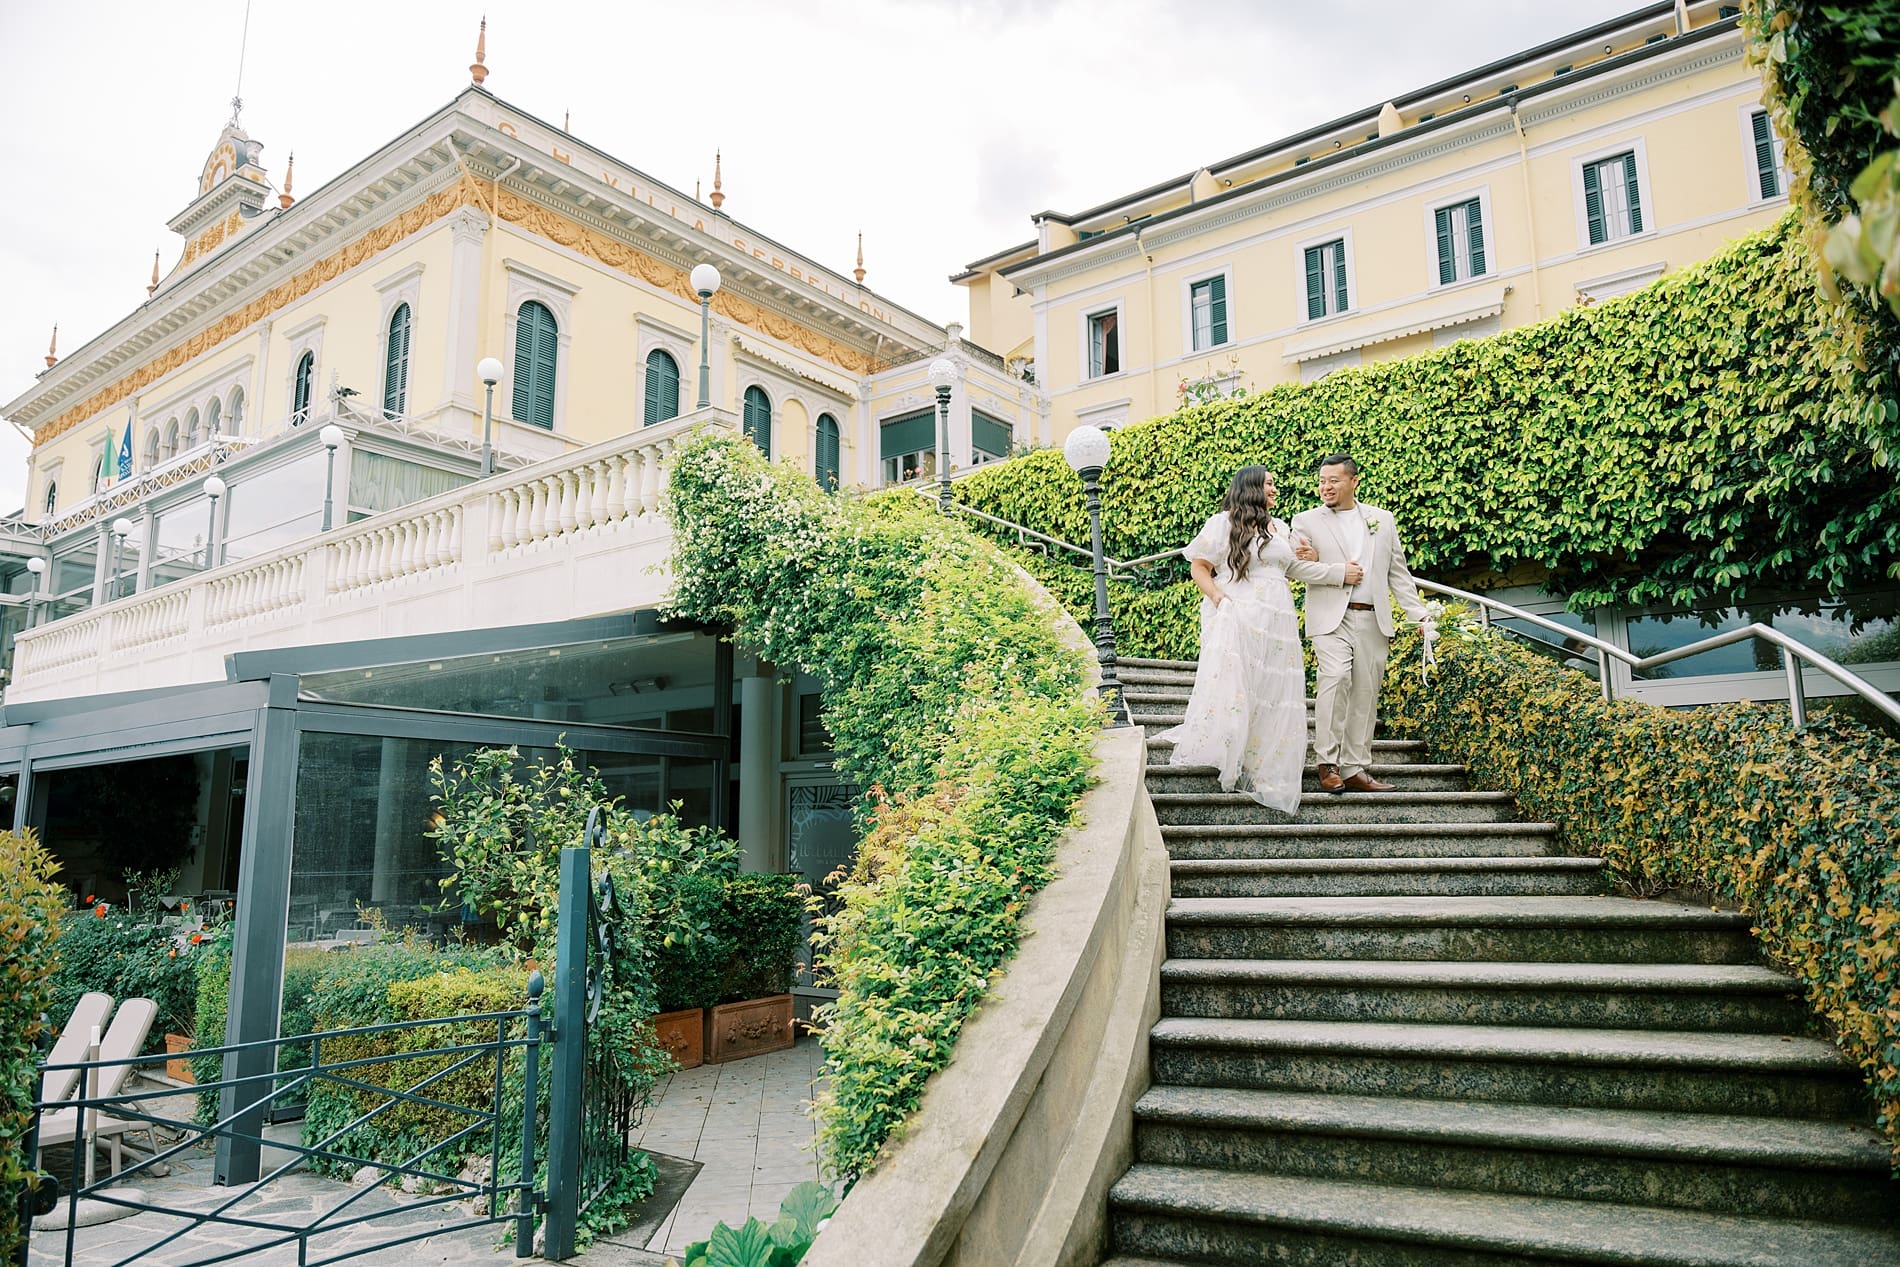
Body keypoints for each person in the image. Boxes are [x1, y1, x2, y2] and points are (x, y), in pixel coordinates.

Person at [1159, 466, 1339, 814]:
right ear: (1252, 487)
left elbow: (1289, 568)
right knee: (1241, 684)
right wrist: (1217, 598)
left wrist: (1313, 558)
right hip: (1240, 612)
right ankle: (1233, 752)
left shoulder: (1279, 527)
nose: (1274, 489)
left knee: (1273, 689)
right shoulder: (1222, 523)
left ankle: (1264, 759)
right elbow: (1199, 566)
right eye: (1269, 484)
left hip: (1278, 618)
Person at [1291, 453, 1430, 793]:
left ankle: (1355, 768)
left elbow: (1398, 573)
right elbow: (1295, 567)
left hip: (1373, 617)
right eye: (1322, 481)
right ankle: (1327, 762)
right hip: (1331, 618)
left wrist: (1418, 614)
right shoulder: (1305, 521)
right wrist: (1339, 573)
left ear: (1354, 481)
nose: (1326, 487)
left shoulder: (1382, 519)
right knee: (1335, 678)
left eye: (1334, 481)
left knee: (1366, 694)